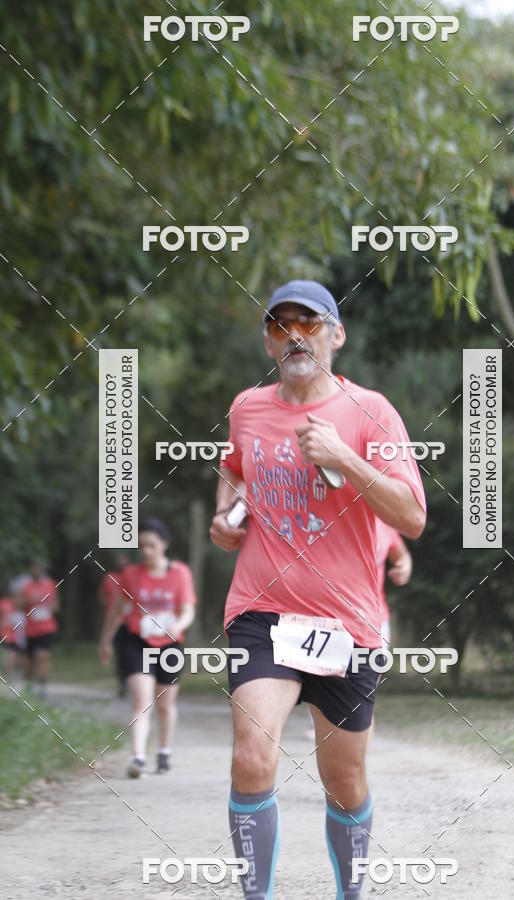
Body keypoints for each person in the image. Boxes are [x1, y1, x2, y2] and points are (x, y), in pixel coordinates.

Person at [210, 280, 426, 899]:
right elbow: (235, 471)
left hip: (345, 624)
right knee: (252, 757)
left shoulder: (372, 413)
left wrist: (345, 459)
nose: (295, 335)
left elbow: (411, 515)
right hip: (263, 610)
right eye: (281, 325)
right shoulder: (248, 406)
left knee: (344, 779)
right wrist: (228, 517)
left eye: (310, 322)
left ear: (337, 334)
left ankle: (350, 892)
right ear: (270, 339)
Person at [99, 518, 196, 778]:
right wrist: (105, 640)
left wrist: (179, 625)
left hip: (170, 643)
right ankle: (138, 757)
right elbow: (117, 611)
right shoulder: (130, 575)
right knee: (141, 701)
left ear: (164, 544)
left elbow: (187, 610)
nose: (146, 551)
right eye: (141, 546)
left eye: (151, 545)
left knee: (165, 704)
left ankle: (164, 750)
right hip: (135, 641)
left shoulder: (180, 574)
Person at [17, 561, 59, 698]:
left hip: (46, 626)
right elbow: (18, 605)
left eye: (38, 567)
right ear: (30, 570)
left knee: (43, 656)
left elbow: (56, 604)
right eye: (33, 568)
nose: (36, 570)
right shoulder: (26, 587)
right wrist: (29, 600)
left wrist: (50, 607)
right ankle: (29, 683)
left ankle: (42, 686)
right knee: (29, 661)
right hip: (30, 629)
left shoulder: (49, 584)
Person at [374, 518, 413, 647]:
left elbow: (402, 555)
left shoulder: (383, 522)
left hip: (376, 619)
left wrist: (404, 567)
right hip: (331, 616)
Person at [99, 553, 130, 697]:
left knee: (132, 652)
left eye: (124, 560)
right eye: (119, 560)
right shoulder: (109, 578)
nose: (121, 563)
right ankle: (123, 683)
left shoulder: (133, 577)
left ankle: (134, 680)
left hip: (131, 622)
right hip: (114, 621)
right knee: (120, 653)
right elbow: (103, 596)